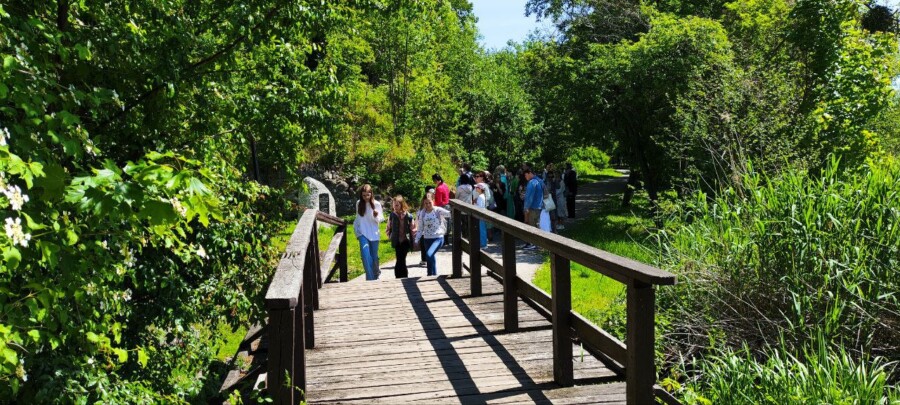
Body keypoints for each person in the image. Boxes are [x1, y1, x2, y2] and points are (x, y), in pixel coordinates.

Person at [354, 184, 384, 280]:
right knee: (365, 254)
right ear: (361, 195)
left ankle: (375, 273)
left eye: (368, 195)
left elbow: (381, 219)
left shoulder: (377, 204)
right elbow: (358, 218)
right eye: (364, 195)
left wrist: (376, 216)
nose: (366, 197)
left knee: (374, 255)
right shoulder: (359, 203)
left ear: (371, 194)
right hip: (362, 233)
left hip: (374, 234)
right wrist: (357, 232)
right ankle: (370, 278)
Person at [415, 197, 451, 276]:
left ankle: (430, 275)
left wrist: (454, 207)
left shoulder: (438, 210)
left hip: (438, 238)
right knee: (430, 257)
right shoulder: (422, 213)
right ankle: (432, 275)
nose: (428, 205)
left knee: (429, 254)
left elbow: (450, 213)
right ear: (423, 204)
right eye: (426, 203)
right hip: (427, 239)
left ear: (433, 202)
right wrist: (416, 239)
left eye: (429, 203)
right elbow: (420, 228)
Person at [385, 195, 415, 278]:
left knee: (402, 259)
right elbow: (388, 227)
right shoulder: (392, 216)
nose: (395, 207)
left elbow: (413, 228)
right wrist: (390, 236)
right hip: (397, 241)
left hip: (405, 240)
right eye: (394, 205)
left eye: (397, 205)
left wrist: (414, 239)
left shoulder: (408, 216)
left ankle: (403, 276)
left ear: (402, 205)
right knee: (399, 258)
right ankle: (399, 276)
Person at [523, 167, 543, 249]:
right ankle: (539, 244)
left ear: (529, 173)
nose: (525, 177)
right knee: (537, 225)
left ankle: (532, 244)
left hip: (532, 207)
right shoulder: (540, 180)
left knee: (531, 226)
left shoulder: (531, 183)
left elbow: (529, 197)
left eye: (525, 175)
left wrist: (526, 208)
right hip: (539, 206)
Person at [417, 190, 435, 266]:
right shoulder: (422, 210)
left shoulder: (434, 209)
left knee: (427, 246)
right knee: (424, 245)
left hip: (429, 231)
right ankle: (425, 259)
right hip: (424, 231)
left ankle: (427, 259)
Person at [474, 183, 488, 248]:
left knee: (482, 229)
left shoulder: (480, 196)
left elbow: (479, 207)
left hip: (481, 215)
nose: (476, 188)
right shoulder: (482, 195)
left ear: (480, 189)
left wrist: (475, 204)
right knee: (483, 229)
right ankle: (483, 243)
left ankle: (483, 244)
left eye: (477, 187)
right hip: (483, 214)